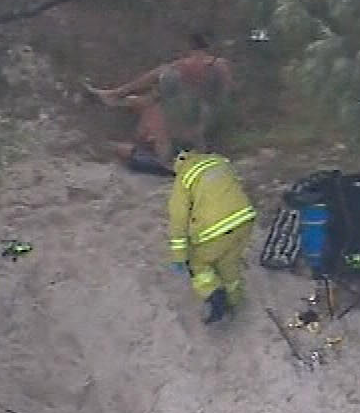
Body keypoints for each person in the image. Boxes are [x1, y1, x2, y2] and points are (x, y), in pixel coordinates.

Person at [87, 32, 235, 152]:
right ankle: (114, 98)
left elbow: (223, 94)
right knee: (146, 99)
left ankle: (115, 96)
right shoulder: (200, 66)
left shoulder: (211, 65)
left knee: (150, 96)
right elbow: (224, 94)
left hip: (193, 110)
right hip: (186, 108)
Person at [167, 149, 257, 324]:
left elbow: (178, 218)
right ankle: (234, 300)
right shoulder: (219, 161)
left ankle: (215, 297)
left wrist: (179, 256)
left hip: (215, 229)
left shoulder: (184, 177)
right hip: (244, 219)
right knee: (229, 263)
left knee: (197, 263)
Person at [108, 91, 177, 176]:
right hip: (163, 157)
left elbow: (162, 145)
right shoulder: (152, 112)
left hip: (164, 159)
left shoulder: (153, 113)